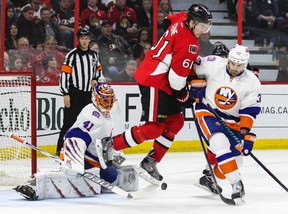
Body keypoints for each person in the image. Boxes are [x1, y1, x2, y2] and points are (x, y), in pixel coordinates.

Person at [99, 4, 213, 181]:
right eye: (201, 26)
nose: (203, 31)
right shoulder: (190, 44)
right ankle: (111, 144)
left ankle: (150, 160)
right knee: (154, 128)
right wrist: (184, 96)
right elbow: (176, 81)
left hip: (163, 77)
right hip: (155, 79)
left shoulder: (182, 17)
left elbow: (168, 21)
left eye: (206, 27)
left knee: (176, 122)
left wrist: (172, 50)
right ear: (191, 23)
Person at [14, 83, 138, 200]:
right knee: (103, 178)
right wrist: (74, 160)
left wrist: (113, 155)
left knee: (113, 175)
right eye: (105, 101)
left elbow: (105, 141)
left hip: (93, 158)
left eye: (110, 101)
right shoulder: (93, 117)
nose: (108, 105)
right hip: (80, 158)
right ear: (95, 99)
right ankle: (35, 185)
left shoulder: (105, 115)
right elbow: (75, 136)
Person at [191, 44, 261, 204]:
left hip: (232, 122)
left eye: (240, 65)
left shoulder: (252, 82)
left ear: (246, 64)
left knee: (238, 160)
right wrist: (192, 84)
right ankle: (236, 184)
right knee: (218, 142)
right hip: (207, 110)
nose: (235, 67)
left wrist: (245, 134)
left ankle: (211, 179)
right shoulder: (213, 63)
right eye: (233, 63)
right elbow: (191, 67)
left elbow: (249, 111)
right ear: (228, 59)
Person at [56, 28, 104, 156]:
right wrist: (65, 93)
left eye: (86, 38)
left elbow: (98, 71)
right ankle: (60, 149)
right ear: (78, 39)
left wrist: (95, 79)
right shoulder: (71, 55)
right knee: (69, 122)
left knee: (88, 123)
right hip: (74, 93)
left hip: (88, 94)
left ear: (89, 39)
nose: (84, 41)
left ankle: (85, 149)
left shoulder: (94, 55)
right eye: (82, 38)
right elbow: (65, 75)